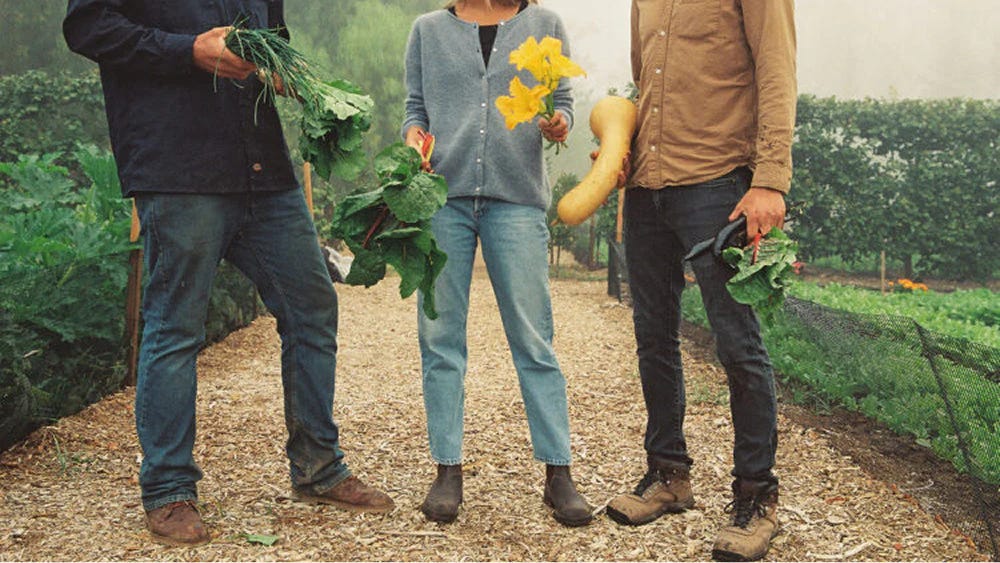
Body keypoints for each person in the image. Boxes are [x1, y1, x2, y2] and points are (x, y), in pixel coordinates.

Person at [63, 0, 393, 547]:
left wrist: (293, 77)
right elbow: (87, 25)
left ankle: (318, 468)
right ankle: (168, 489)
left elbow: (272, 37)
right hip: (179, 166)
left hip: (262, 166)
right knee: (175, 327)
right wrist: (187, 49)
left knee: (312, 305)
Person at [604, 1, 797, 561]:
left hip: (718, 184)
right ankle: (668, 474)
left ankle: (757, 497)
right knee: (654, 337)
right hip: (647, 186)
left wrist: (770, 180)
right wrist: (620, 153)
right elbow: (647, 86)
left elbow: (777, 71)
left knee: (737, 344)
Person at [401, 0, 592, 527]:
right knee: (440, 337)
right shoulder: (427, 31)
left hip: (516, 199)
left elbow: (566, 102)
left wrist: (559, 122)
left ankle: (558, 472)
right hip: (442, 198)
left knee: (534, 337)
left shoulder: (545, 25)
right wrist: (414, 139)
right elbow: (415, 109)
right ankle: (447, 469)